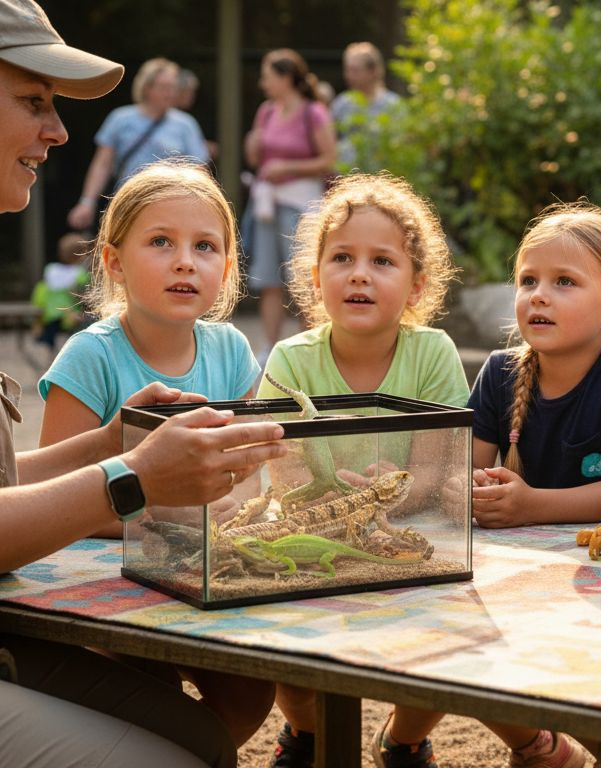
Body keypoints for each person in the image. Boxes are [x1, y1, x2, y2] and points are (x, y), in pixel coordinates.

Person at [0, 2, 285, 768]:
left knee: (209, 737)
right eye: (33, 101)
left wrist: (110, 441)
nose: (59, 132)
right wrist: (132, 477)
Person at [367, 203, 601, 768]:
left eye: (564, 282)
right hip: (516, 563)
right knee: (452, 625)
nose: (538, 295)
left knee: (587, 690)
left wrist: (530, 505)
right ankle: (404, 742)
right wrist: (466, 489)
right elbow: (465, 467)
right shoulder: (501, 371)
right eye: (528, 280)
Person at [37, 159, 273, 747]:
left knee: (251, 695)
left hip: (206, 571)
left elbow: (247, 477)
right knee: (149, 684)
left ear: (227, 265)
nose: (185, 261)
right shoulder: (89, 358)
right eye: (161, 242)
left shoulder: (232, 350)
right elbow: (50, 497)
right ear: (114, 261)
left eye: (206, 246)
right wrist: (156, 518)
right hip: (111, 581)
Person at [251, 172, 468, 767]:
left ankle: (403, 741)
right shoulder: (292, 358)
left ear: (417, 284)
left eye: (382, 261)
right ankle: (308, 733)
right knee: (289, 658)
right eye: (341, 257)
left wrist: (387, 499)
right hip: (312, 532)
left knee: (445, 646)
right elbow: (284, 475)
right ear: (316, 277)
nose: (359, 274)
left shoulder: (433, 353)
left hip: (412, 530)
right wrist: (332, 506)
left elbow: (434, 466)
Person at [243, 48, 337, 355]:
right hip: (268, 205)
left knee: (302, 278)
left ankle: (307, 348)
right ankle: (270, 348)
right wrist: (252, 147)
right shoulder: (266, 111)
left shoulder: (314, 113)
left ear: (286, 78)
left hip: (302, 205)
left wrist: (289, 167)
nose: (263, 83)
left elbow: (329, 159)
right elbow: (257, 160)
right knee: (269, 277)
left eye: (268, 76)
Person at [67, 57, 209, 231]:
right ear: (146, 88)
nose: (170, 93)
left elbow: (199, 170)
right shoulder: (120, 119)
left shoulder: (185, 124)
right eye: (164, 87)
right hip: (130, 202)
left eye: (173, 88)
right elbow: (102, 164)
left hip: (172, 204)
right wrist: (87, 202)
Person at [330, 42, 402, 171]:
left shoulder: (393, 105)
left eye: (355, 70)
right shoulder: (341, 103)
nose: (348, 76)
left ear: (373, 71)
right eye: (347, 69)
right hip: (346, 181)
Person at [30, 229, 92, 352]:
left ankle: (47, 341)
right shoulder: (79, 274)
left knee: (53, 334)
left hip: (50, 313)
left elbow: (42, 290)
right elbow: (81, 294)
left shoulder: (51, 270)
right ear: (81, 255)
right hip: (70, 314)